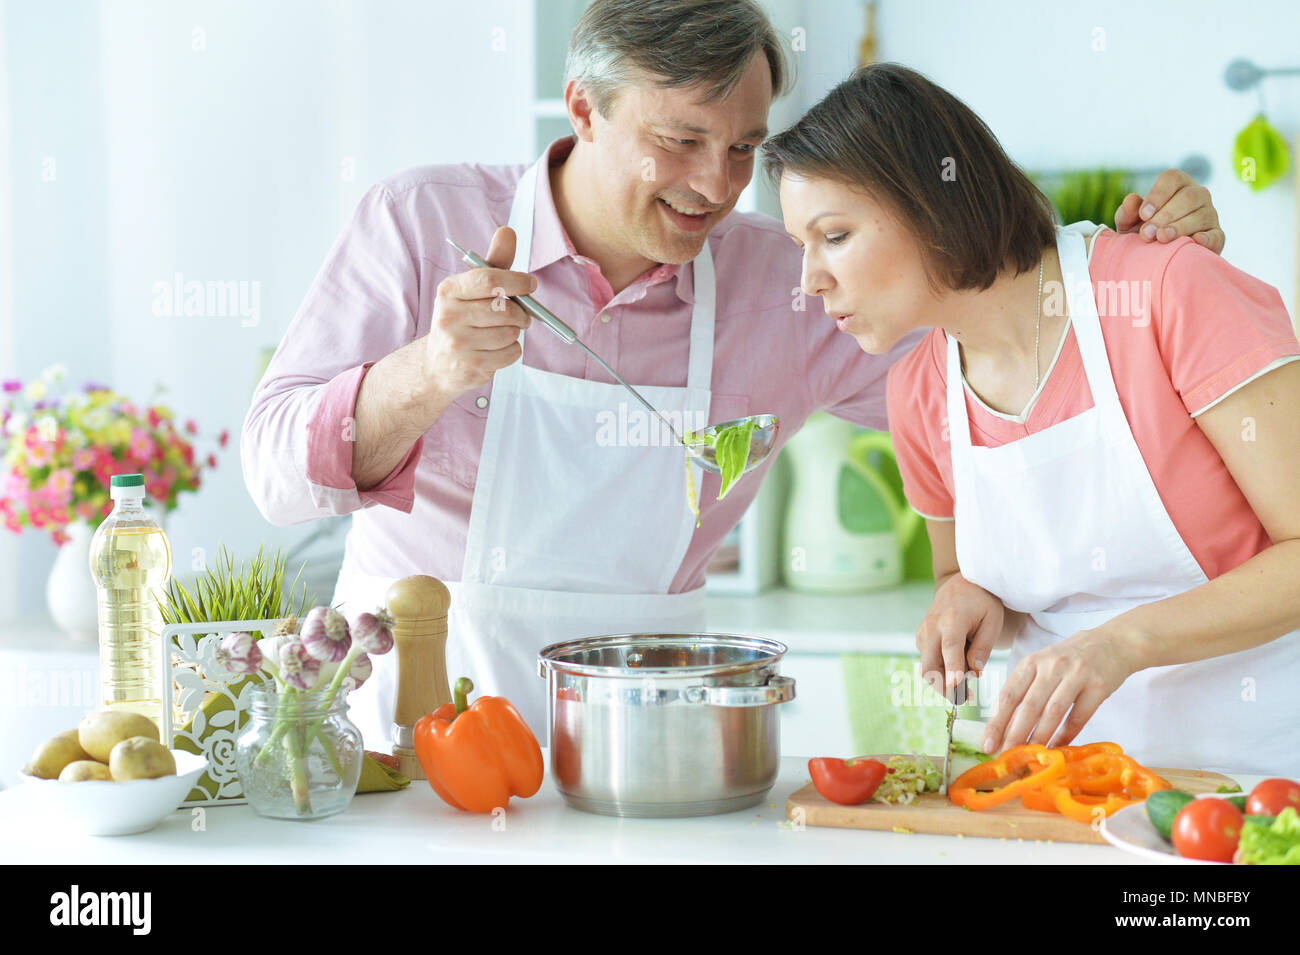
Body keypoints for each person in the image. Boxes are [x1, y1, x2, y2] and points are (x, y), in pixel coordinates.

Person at [241, 0, 1224, 747]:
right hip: (406, 729)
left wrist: (1123, 280)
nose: (714, 186)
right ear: (584, 106)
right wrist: (432, 369)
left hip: (645, 746)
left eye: (743, 148)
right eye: (678, 141)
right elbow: (275, 478)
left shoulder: (788, 283)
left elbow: (1007, 382)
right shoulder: (418, 224)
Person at [768, 63, 1298, 776]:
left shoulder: (1166, 292)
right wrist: (964, 601)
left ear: (929, 201)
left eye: (833, 236)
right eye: (802, 246)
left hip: (1260, 783)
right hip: (1063, 795)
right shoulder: (918, 393)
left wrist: (1123, 642)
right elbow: (963, 576)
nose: (812, 280)